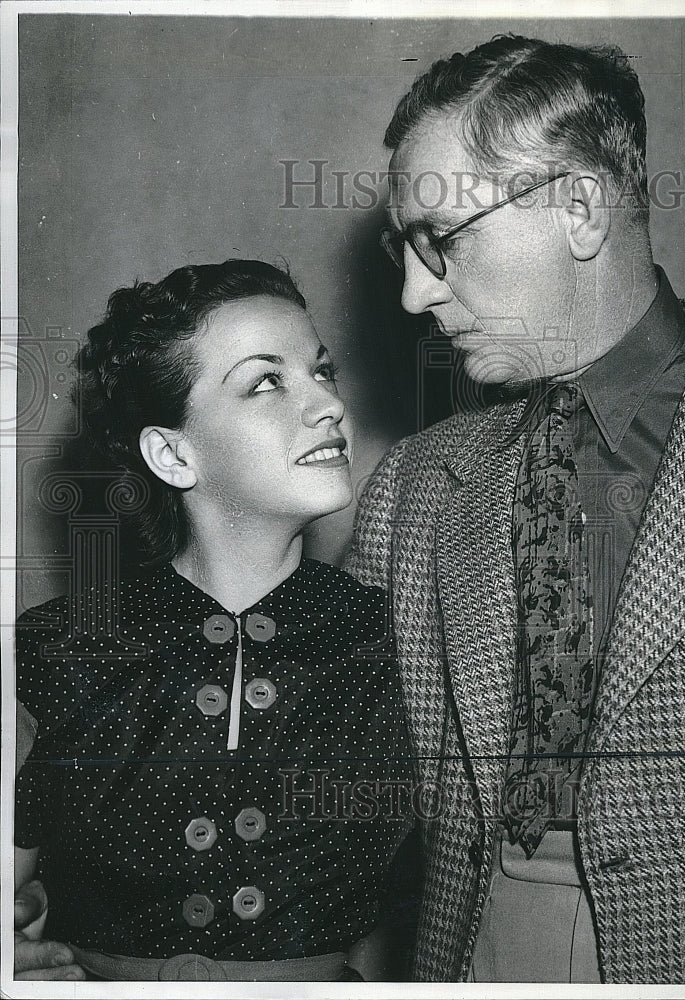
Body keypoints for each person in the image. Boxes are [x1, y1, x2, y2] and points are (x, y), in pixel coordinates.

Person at [346, 34, 685, 983]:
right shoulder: (410, 488)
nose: (411, 293)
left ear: (578, 208)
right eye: (403, 249)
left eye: (440, 240)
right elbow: (352, 794)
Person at [14, 259, 414, 982]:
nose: (327, 405)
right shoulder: (54, 649)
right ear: (172, 453)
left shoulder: (399, 640)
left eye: (321, 372)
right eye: (268, 381)